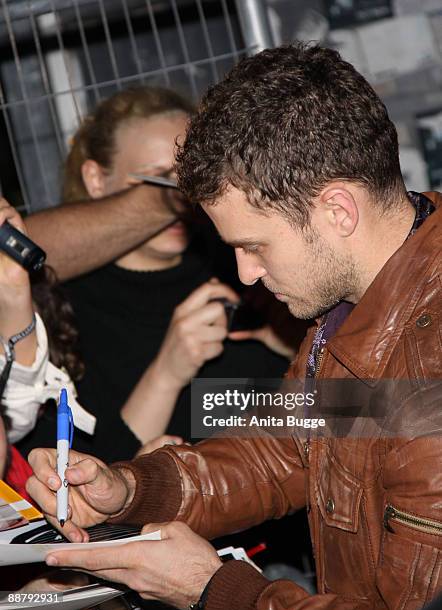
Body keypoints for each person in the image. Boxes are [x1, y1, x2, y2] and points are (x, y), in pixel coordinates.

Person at [27, 43, 442, 610]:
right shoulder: (359, 297)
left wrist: (214, 590)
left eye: (254, 245)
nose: (245, 274)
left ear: (338, 211)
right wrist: (128, 490)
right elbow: (282, 452)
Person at [19, 86, 291, 463]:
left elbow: (367, 415)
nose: (187, 193)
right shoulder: (61, 313)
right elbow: (81, 483)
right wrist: (167, 374)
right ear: (96, 179)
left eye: (196, 175)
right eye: (157, 177)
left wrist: (299, 347)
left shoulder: (241, 268)